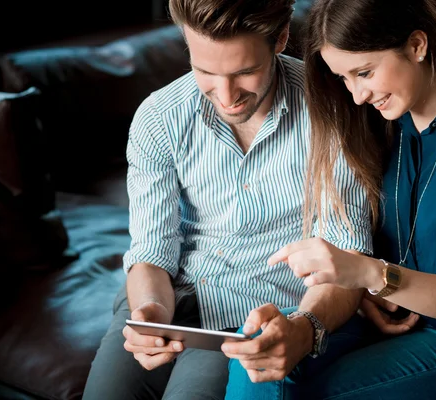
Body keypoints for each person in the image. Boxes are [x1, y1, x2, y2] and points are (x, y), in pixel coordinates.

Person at [226, 0, 436, 399]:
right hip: (389, 322)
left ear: (416, 45)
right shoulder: (386, 117)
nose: (357, 95)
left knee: (300, 389)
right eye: (344, 78)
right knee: (257, 346)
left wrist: (366, 275)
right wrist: (363, 293)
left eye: (364, 73)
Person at [81, 1, 375, 399]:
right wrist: (149, 312)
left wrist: (305, 326)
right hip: (170, 296)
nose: (226, 96)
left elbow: (345, 258)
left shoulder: (334, 110)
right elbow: (151, 251)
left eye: (245, 72)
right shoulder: (159, 117)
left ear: (281, 38)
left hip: (255, 315)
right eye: (205, 72)